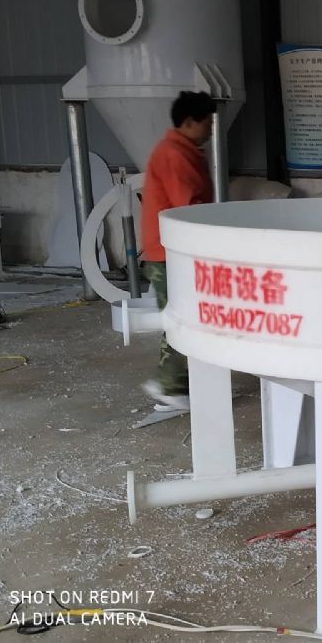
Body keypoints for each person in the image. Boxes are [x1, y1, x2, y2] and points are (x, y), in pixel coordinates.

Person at [139, 91, 216, 409]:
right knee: (179, 317)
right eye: (207, 123)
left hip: (173, 249)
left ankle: (174, 382)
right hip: (169, 252)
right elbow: (188, 207)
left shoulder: (182, 150)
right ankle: (169, 387)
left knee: (181, 315)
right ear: (189, 122)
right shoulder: (174, 154)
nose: (210, 130)